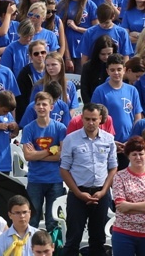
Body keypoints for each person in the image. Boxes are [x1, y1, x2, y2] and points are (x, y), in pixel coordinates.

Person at [60, 102, 118, 256]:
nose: (90, 123)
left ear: (100, 119)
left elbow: (113, 167)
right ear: (82, 119)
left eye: (94, 119)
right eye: (87, 119)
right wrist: (78, 193)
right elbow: (64, 169)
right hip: (78, 194)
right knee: (73, 238)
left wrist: (104, 191)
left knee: (98, 239)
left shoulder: (108, 139)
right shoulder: (71, 139)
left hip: (101, 193)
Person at [21, 92, 67, 231]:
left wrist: (36, 153)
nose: (41, 107)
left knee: (53, 221)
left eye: (44, 104)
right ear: (34, 107)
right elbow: (28, 156)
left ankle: (51, 250)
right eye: (38, 104)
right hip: (35, 179)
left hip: (55, 179)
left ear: (51, 107)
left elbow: (61, 155)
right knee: (32, 219)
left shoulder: (60, 128)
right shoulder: (29, 128)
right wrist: (50, 151)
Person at [111, 135, 145, 254]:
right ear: (128, 157)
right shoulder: (119, 176)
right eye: (134, 154)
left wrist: (130, 206)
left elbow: (126, 207)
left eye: (141, 153)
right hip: (123, 233)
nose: (138, 157)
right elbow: (121, 206)